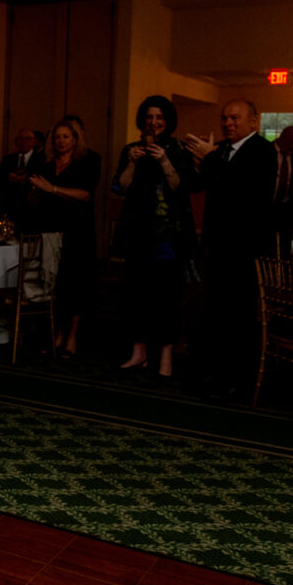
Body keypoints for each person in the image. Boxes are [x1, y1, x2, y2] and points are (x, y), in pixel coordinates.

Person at [182, 98, 277, 399]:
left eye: (235, 118)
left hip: (244, 250)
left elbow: (247, 192)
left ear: (253, 121)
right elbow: (200, 185)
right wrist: (199, 162)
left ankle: (240, 381)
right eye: (224, 118)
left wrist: (210, 159)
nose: (228, 123)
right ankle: (217, 374)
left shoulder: (262, 150)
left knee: (240, 316)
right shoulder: (222, 150)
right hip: (218, 247)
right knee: (217, 314)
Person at [112, 96, 197, 378]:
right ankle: (139, 353)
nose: (154, 122)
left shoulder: (179, 150)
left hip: (168, 237)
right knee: (135, 294)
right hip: (138, 233)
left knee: (167, 297)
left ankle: (166, 357)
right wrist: (133, 164)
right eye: (149, 117)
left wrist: (164, 161)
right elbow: (119, 187)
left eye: (159, 117)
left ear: (168, 121)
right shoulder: (131, 149)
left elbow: (182, 188)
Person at [28, 117, 100, 358]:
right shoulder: (45, 163)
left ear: (75, 139)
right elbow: (37, 198)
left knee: (76, 286)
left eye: (65, 136)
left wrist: (54, 189)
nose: (60, 141)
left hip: (78, 232)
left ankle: (72, 338)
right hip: (50, 230)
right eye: (57, 137)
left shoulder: (87, 161)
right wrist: (36, 193)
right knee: (54, 286)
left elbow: (86, 195)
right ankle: (55, 334)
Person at [0, 127, 44, 228]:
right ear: (16, 142)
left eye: (28, 139)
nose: (23, 142)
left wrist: (25, 180)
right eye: (20, 139)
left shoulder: (41, 160)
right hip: (10, 209)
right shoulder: (8, 160)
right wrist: (9, 179)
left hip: (31, 210)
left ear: (34, 142)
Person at [270, 125, 293, 258]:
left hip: (285, 211)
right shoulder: (265, 153)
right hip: (264, 210)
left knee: (284, 250)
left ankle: (283, 276)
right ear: (283, 139)